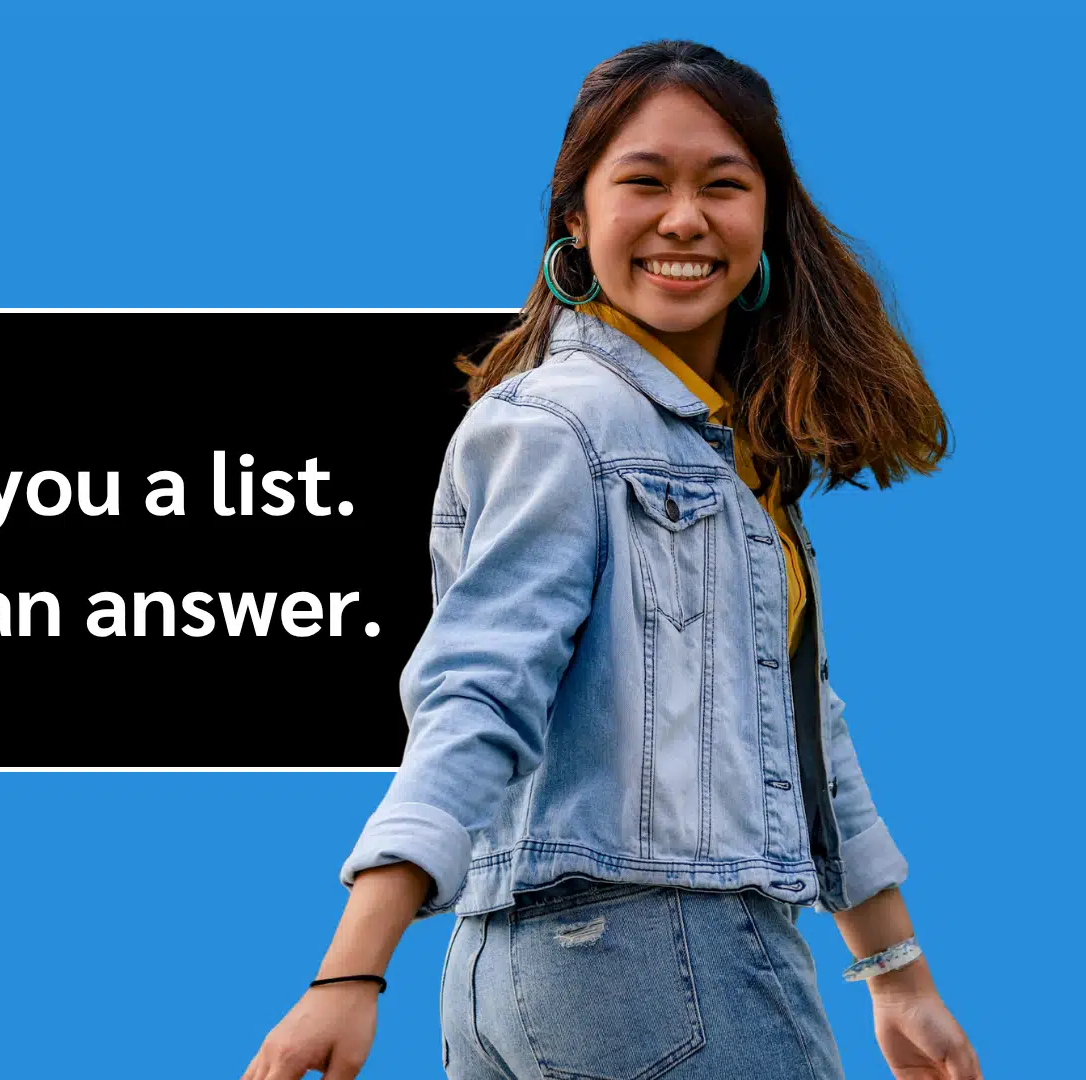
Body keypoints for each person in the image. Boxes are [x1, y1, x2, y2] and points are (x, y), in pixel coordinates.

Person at [238, 40, 982, 1080]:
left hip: (514, 987)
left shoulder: (721, 459)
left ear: (767, 219)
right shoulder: (571, 427)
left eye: (724, 184)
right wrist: (347, 973)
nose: (685, 219)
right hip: (672, 962)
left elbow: (810, 737)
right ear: (576, 221)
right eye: (644, 181)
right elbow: (476, 695)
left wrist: (898, 977)